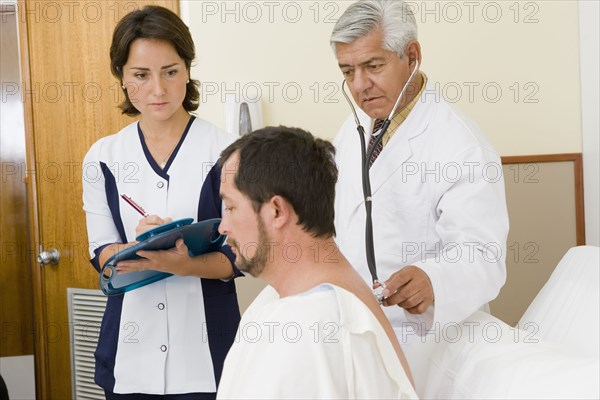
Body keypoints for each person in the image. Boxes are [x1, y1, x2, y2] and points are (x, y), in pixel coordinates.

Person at [82, 6, 240, 398]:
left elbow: (243, 255)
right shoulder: (102, 157)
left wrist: (185, 265)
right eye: (140, 75)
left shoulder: (227, 152)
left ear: (187, 70)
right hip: (129, 357)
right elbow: (102, 254)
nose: (158, 89)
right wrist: (140, 249)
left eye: (170, 71)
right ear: (121, 77)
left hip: (209, 359)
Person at [330, 0, 509, 340]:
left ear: (411, 56)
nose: (359, 85)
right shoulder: (352, 131)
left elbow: (484, 257)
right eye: (347, 71)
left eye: (373, 66)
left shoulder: (461, 145)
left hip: (426, 338)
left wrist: (433, 278)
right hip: (360, 328)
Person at [215, 126, 418, 399]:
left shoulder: (305, 327)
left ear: (276, 211)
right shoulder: (326, 296)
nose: (222, 227)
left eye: (230, 207)